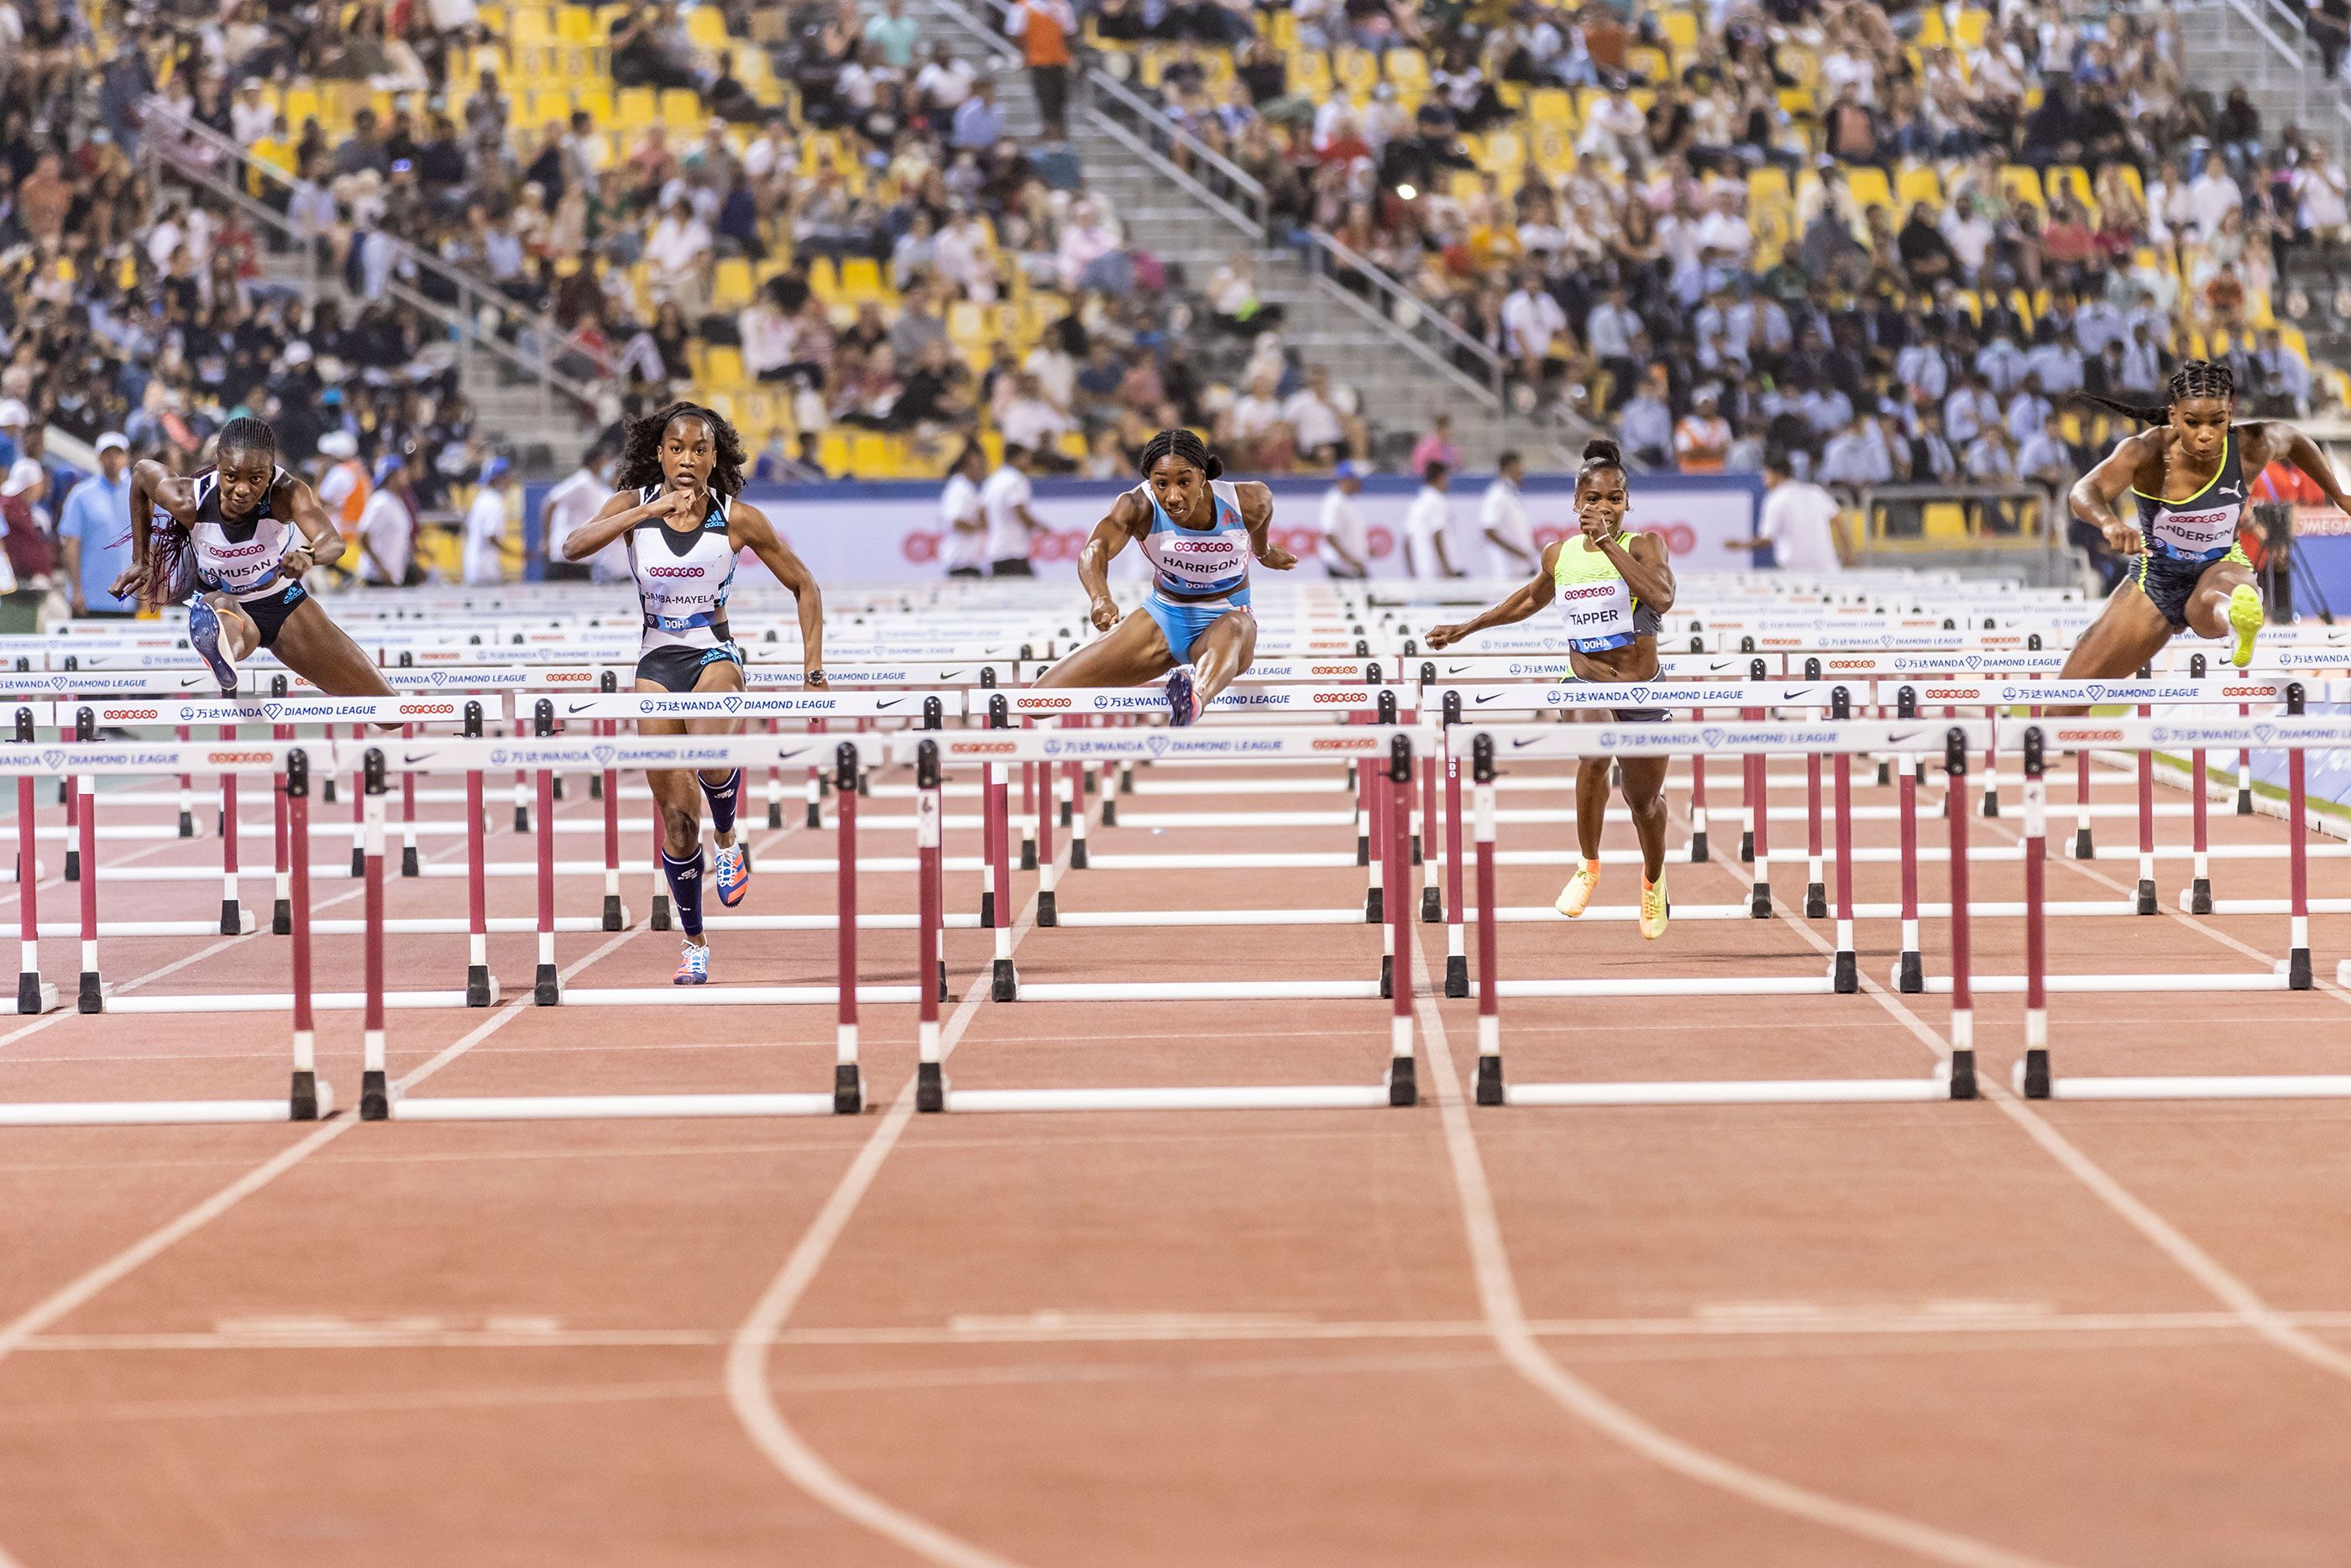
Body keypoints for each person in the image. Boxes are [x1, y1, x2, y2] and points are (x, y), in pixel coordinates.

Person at [560, 403, 827, 985]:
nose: (687, 459)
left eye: (699, 449)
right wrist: (647, 509)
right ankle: (695, 942)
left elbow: (804, 585)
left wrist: (812, 669)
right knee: (677, 822)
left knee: (709, 748)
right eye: (676, 448)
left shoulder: (738, 519)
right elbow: (573, 547)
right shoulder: (634, 503)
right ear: (660, 453)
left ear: (714, 456)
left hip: (714, 654)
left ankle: (728, 839)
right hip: (656, 661)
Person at [1427, 440, 1677, 939]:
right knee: (1595, 751)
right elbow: (1525, 602)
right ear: (1576, 503)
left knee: (1644, 802)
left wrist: (1607, 543)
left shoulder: (1644, 545)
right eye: (1594, 499)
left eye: (1615, 498)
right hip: (1584, 679)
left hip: (1641, 688)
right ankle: (1589, 865)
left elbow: (1662, 597)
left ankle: (1653, 880)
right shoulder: (1558, 554)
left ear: (1627, 504)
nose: (1604, 507)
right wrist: (1466, 628)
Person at [2066, 362, 2351, 680]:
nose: (2206, 435)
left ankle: (2235, 620)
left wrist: (2338, 495)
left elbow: (2296, 440)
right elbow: (2084, 490)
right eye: (2192, 422)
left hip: (2220, 562)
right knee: (2069, 696)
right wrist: (2108, 522)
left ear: (2230, 412)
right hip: (2157, 575)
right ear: (2173, 415)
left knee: (2225, 592)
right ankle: (2231, 614)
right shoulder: (2146, 452)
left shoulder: (2251, 446)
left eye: (2217, 422)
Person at [117, 416, 401, 703]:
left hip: (282, 603)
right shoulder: (190, 500)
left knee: (385, 706)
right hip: (222, 601)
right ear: (218, 466)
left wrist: (308, 555)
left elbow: (332, 541)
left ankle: (225, 648)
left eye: (256, 479)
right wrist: (140, 561)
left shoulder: (286, 493)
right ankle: (222, 649)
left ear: (270, 471)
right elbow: (141, 475)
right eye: (231, 477)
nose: (242, 489)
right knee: (226, 610)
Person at [1029, 429, 1295, 724]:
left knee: (1234, 627)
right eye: (1161, 484)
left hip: (1228, 615)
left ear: (1203, 477)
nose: (1172, 496)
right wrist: (1100, 598)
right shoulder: (1137, 506)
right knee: (1039, 701)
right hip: (1164, 616)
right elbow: (1095, 548)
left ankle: (1193, 701)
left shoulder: (1249, 500)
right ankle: (1185, 690)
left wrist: (1264, 552)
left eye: (1184, 482)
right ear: (1149, 482)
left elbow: (1261, 522)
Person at [56, 433, 138, 618]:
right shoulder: (81, 495)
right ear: (99, 458)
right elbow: (71, 545)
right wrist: (76, 590)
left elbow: (151, 544)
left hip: (128, 599)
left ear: (126, 457)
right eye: (107, 454)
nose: (113, 460)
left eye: (118, 454)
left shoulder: (137, 494)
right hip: (89, 598)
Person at [1726, 453, 1846, 572]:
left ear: (1778, 474)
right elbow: (1839, 521)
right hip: (1829, 569)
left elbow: (1767, 540)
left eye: (1766, 475)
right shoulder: (1815, 492)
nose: (1764, 480)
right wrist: (1849, 554)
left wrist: (1740, 545)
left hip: (1796, 572)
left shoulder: (1775, 499)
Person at [542, 444, 625, 582]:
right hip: (566, 559)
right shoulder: (582, 481)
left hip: (582, 557)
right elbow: (550, 501)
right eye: (604, 461)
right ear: (594, 462)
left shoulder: (596, 485)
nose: (607, 465)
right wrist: (546, 540)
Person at [354, 455, 421, 587]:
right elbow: (362, 536)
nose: (405, 475)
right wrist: (381, 568)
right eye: (402, 472)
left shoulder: (396, 500)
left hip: (391, 577)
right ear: (392, 477)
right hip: (375, 578)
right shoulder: (380, 501)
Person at [980, 443, 1045, 576]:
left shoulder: (993, 479)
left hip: (996, 550)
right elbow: (1019, 510)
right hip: (1013, 551)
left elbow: (982, 511)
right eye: (1026, 458)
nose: (1029, 462)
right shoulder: (1016, 479)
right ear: (1017, 458)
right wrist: (1039, 526)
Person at [1479, 451, 1537, 579]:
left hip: (1522, 567)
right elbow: (1489, 531)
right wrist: (1518, 552)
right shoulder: (1497, 495)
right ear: (1511, 467)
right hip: (1508, 569)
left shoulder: (1512, 494)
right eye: (1519, 467)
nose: (1522, 472)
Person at [1403, 460, 1461, 578]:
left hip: (1422, 570)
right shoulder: (1438, 501)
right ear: (1440, 477)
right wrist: (1448, 569)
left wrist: (1411, 572)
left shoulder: (1417, 503)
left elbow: (1406, 541)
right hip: (1439, 572)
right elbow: (1437, 536)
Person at [462, 456, 514, 585]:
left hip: (474, 566)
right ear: (498, 479)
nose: (509, 480)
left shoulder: (481, 498)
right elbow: (491, 536)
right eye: (507, 476)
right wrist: (515, 553)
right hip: (485, 571)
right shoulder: (494, 502)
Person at [938, 442, 987, 578]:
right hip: (962, 561)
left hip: (969, 560)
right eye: (979, 465)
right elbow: (956, 521)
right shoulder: (960, 488)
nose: (982, 469)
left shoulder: (967, 488)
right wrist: (979, 528)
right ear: (969, 464)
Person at [1319, 459, 1371, 578]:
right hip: (1342, 569)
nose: (1360, 483)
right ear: (1347, 480)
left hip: (1353, 567)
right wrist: (1351, 560)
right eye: (1356, 480)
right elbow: (1329, 536)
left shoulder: (1347, 501)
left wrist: (1364, 551)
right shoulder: (1335, 503)